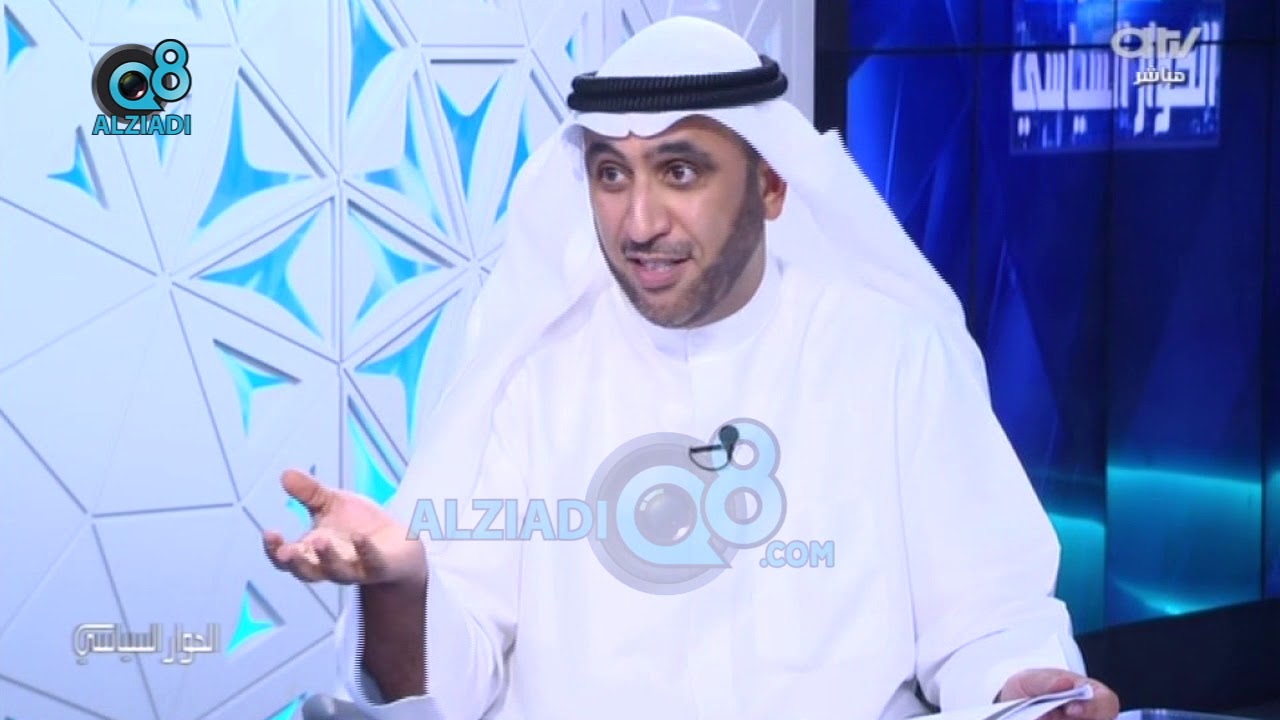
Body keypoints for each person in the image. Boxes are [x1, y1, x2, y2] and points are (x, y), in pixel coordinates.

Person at [263, 16, 1121, 720]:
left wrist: (1024, 689)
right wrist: (402, 585)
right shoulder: (533, 375)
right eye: (611, 174)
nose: (638, 222)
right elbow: (452, 680)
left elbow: (987, 617)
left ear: (771, 187)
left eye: (680, 171)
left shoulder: (893, 356)